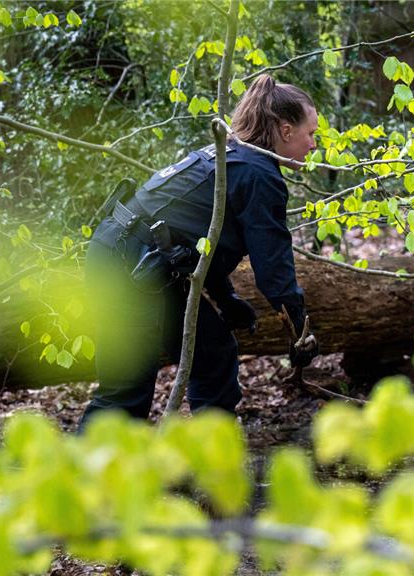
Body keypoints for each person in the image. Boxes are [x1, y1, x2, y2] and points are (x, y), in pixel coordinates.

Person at [78, 75, 320, 428]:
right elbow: (274, 270)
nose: (314, 145)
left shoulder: (234, 156)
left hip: (147, 261)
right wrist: (300, 328)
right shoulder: (258, 174)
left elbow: (199, 238)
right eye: (311, 134)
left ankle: (212, 464)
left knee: (212, 356)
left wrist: (225, 296)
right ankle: (79, 479)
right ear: (285, 131)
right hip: (125, 262)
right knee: (126, 390)